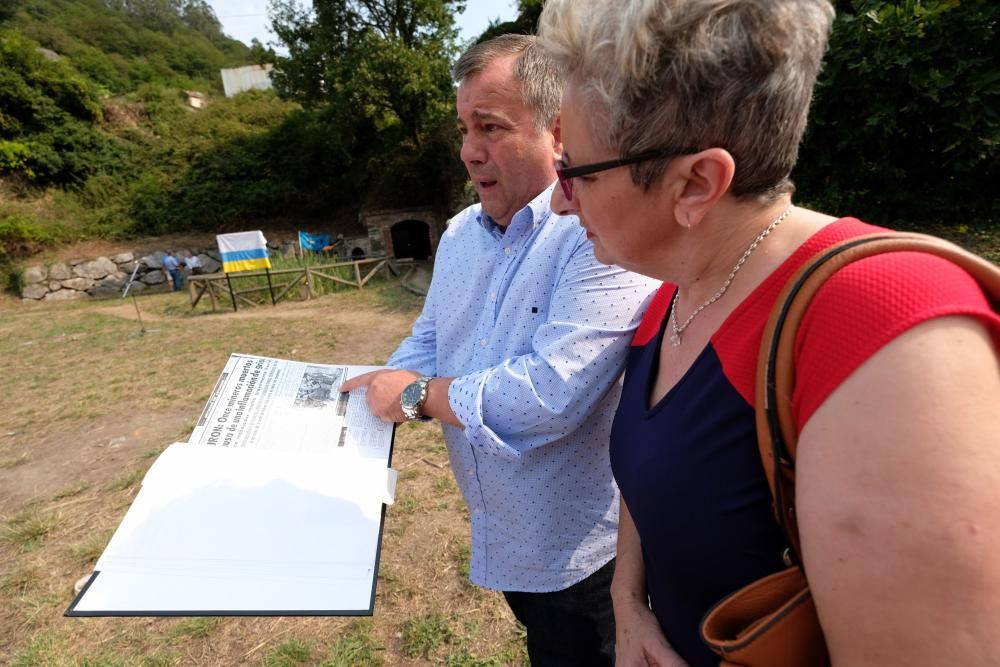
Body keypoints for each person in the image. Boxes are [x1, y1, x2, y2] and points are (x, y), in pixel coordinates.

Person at [537, 2, 1000, 666]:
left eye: (574, 171)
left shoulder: (888, 334)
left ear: (696, 184)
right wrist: (628, 600)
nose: (559, 200)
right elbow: (651, 475)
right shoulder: (672, 295)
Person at [341, 34, 660, 666]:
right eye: (463, 128)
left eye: (490, 127)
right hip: (507, 538)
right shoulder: (462, 232)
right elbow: (432, 336)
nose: (468, 151)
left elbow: (551, 393)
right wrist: (379, 380)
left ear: (559, 133)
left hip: (588, 555)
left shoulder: (599, 237)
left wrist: (412, 397)